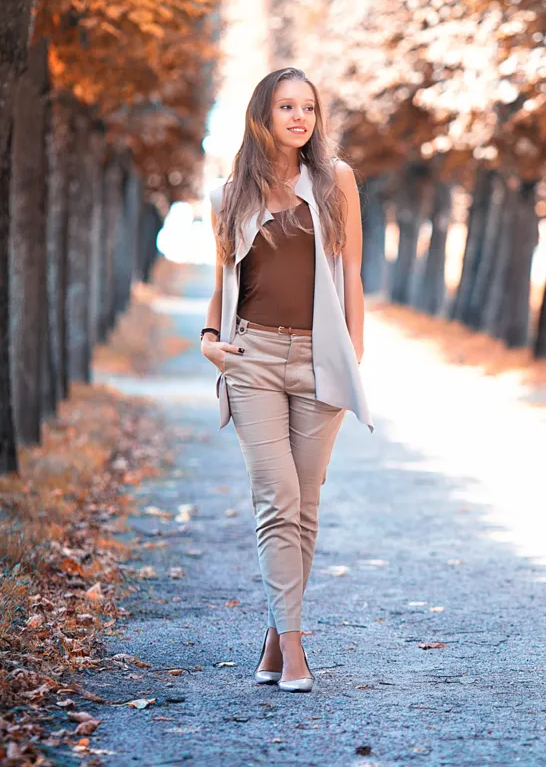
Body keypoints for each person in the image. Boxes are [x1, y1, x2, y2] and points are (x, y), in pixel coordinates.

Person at [202, 67, 373, 694]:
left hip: (320, 359)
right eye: (286, 106)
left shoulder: (337, 183)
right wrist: (210, 344)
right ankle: (297, 652)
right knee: (276, 499)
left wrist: (354, 348)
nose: (299, 117)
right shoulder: (229, 195)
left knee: (304, 503)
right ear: (262, 116)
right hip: (253, 359)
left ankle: (275, 637)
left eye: (308, 107)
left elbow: (352, 272)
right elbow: (222, 285)